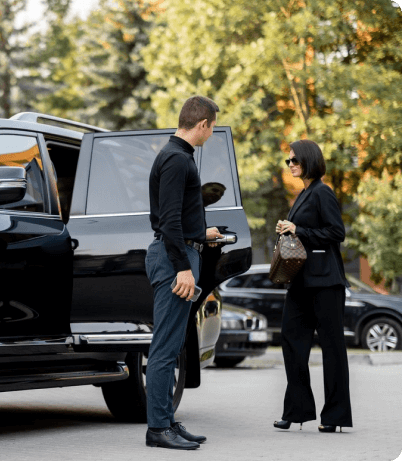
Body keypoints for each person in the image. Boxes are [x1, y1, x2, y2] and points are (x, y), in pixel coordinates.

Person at [145, 96, 223, 450]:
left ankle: (167, 421)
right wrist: (182, 268)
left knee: (173, 344)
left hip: (179, 250)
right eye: (212, 126)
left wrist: (200, 232)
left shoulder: (177, 155)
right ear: (202, 123)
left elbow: (176, 216)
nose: (212, 133)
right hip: (173, 259)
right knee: (165, 347)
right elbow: (169, 220)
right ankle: (158, 429)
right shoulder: (177, 159)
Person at [273, 139, 353, 433]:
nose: (290, 164)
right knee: (292, 342)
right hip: (300, 282)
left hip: (326, 282)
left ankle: (335, 416)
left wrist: (299, 229)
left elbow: (336, 232)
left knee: (332, 348)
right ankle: (297, 410)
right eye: (288, 160)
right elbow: (304, 233)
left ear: (308, 160)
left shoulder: (322, 192)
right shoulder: (304, 194)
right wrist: (288, 229)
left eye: (294, 160)